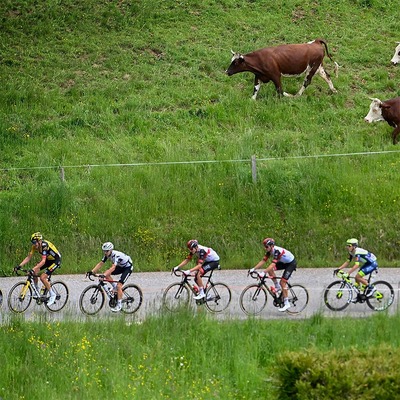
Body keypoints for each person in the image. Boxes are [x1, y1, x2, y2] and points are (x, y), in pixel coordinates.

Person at [249, 238, 297, 312]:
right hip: (284, 262)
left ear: (271, 246)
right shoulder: (269, 251)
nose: (265, 248)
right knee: (270, 270)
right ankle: (277, 286)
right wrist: (253, 269)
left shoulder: (276, 251)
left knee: (283, 282)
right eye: (264, 246)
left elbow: (272, 264)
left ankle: (287, 303)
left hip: (291, 263)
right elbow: (263, 261)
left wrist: (263, 273)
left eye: (266, 247)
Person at [16, 232, 61, 306]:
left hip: (56, 260)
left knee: (42, 277)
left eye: (35, 242)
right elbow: (28, 257)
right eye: (32, 242)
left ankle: (52, 295)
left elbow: (43, 261)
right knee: (34, 272)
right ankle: (36, 290)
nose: (34, 244)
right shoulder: (34, 246)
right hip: (48, 260)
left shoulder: (44, 246)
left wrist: (33, 268)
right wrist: (19, 266)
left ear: (39, 241)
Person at [88, 242, 133, 312]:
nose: (105, 253)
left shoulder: (116, 255)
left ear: (111, 250)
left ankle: (119, 305)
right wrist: (92, 271)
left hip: (127, 267)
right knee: (107, 274)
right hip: (121, 266)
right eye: (104, 251)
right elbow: (100, 263)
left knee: (119, 286)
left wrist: (104, 275)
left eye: (107, 251)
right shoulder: (107, 255)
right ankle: (115, 287)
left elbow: (113, 268)